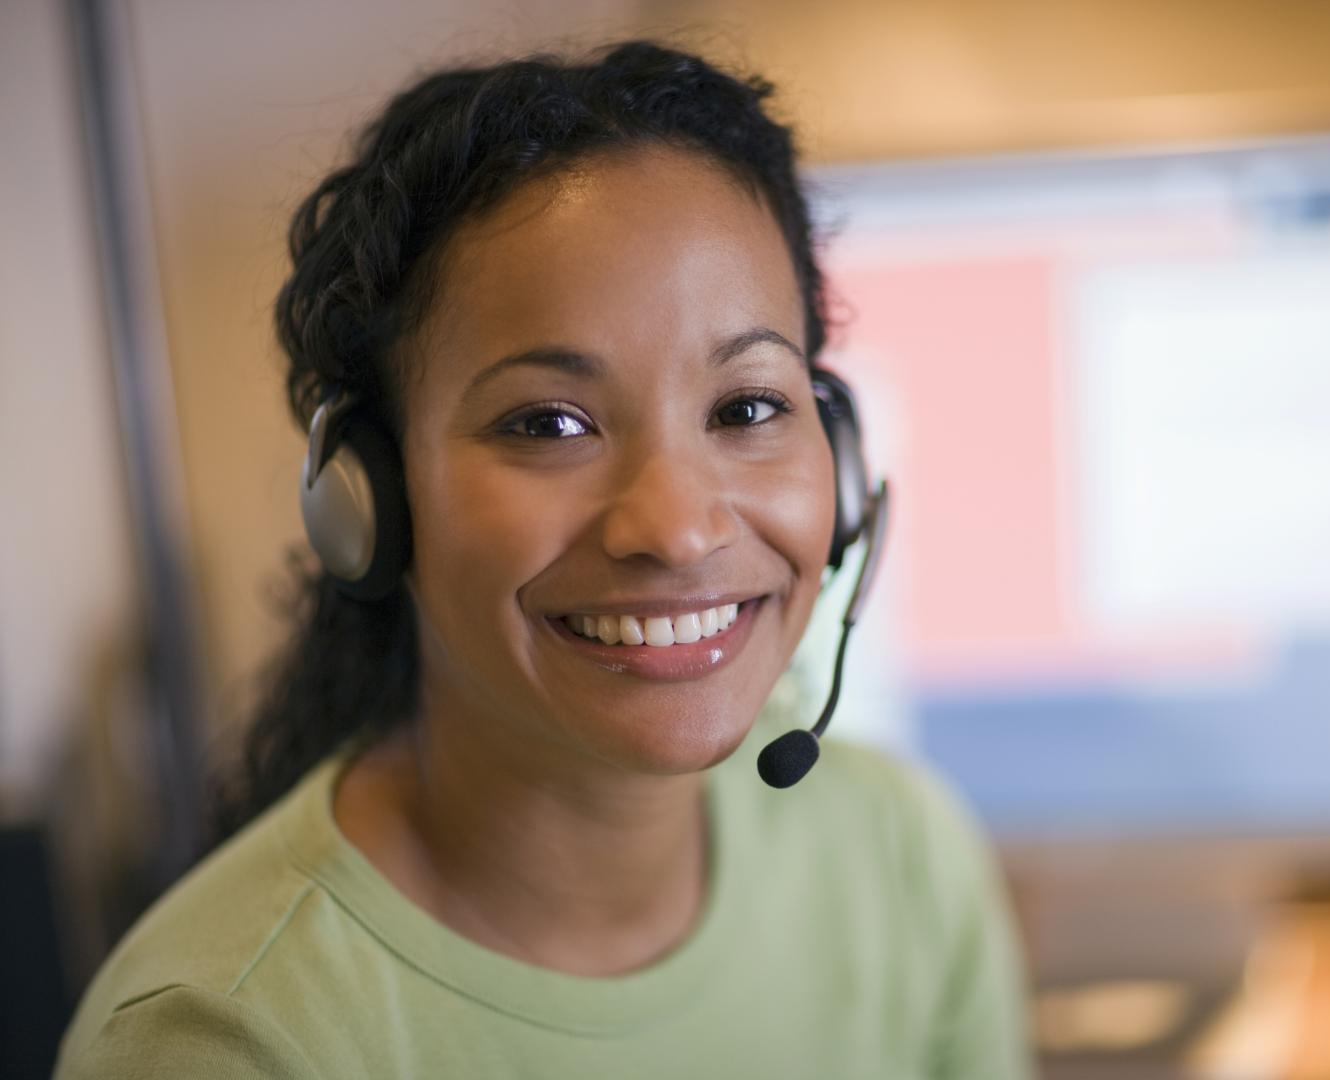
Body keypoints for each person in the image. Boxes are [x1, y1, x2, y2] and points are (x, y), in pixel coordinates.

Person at [55, 40, 1032, 1079]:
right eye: (549, 423)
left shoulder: (903, 863)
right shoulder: (225, 1037)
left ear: (837, 462)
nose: (678, 528)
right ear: (369, 499)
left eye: (748, 406)